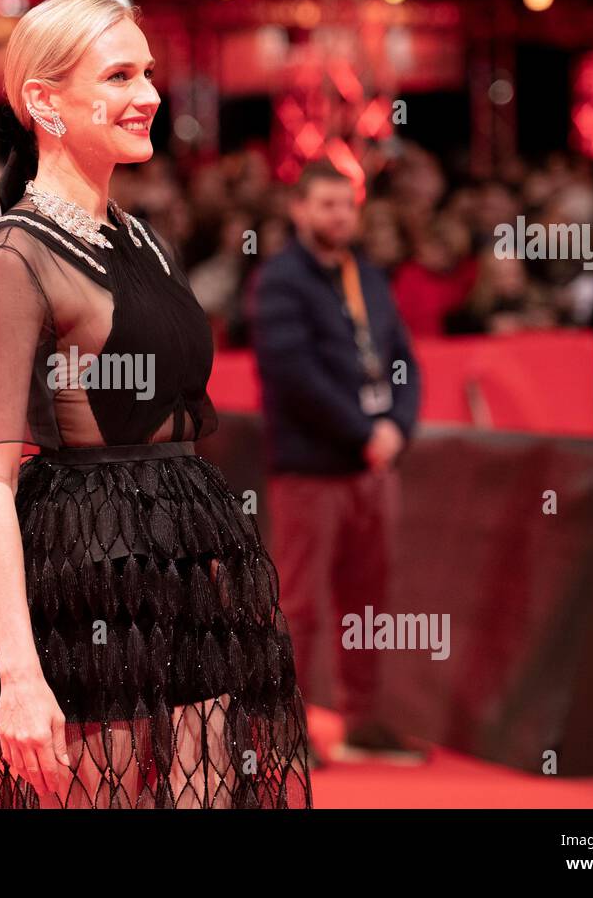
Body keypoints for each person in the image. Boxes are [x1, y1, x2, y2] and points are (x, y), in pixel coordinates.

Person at [0, 0, 312, 809]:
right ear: (43, 100)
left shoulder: (144, 238)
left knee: (213, 791)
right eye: (118, 75)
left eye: (147, 72)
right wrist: (21, 675)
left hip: (187, 553)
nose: (147, 94)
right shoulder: (17, 252)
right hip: (87, 567)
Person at [253, 160, 425, 765]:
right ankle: (285, 728)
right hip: (311, 467)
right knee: (299, 603)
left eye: (345, 206)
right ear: (298, 210)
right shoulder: (279, 281)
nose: (338, 216)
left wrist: (398, 427)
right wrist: (363, 432)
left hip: (373, 467)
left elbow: (403, 357)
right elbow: (291, 374)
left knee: (370, 602)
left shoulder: (369, 275)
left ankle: (364, 720)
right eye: (325, 205)